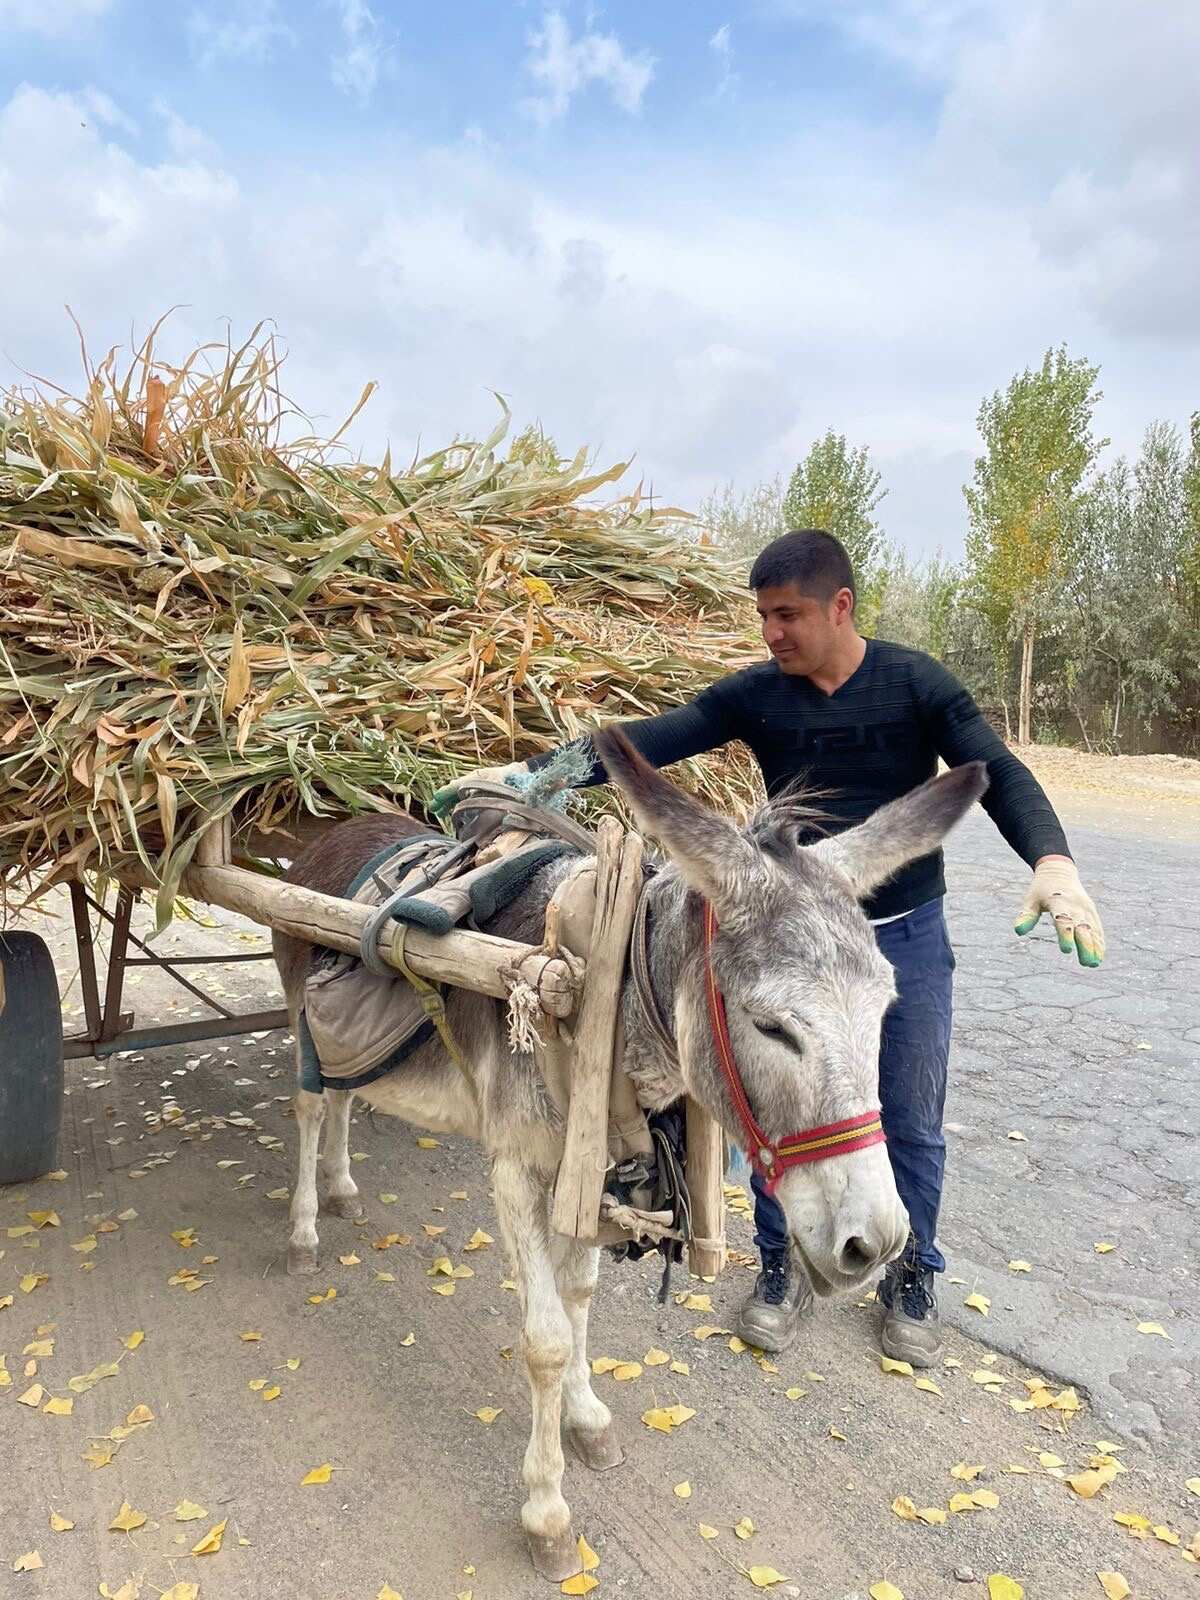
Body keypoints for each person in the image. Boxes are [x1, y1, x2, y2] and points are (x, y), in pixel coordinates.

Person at [432, 529, 1105, 1365]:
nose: (772, 633)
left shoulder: (915, 683)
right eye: (763, 617)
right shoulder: (760, 692)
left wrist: (1053, 864)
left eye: (787, 615)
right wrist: (533, 776)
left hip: (893, 940)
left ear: (840, 607)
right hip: (783, 941)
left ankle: (914, 1275)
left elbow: (992, 770)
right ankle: (781, 1267)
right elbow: (660, 738)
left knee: (911, 1118)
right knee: (771, 1093)